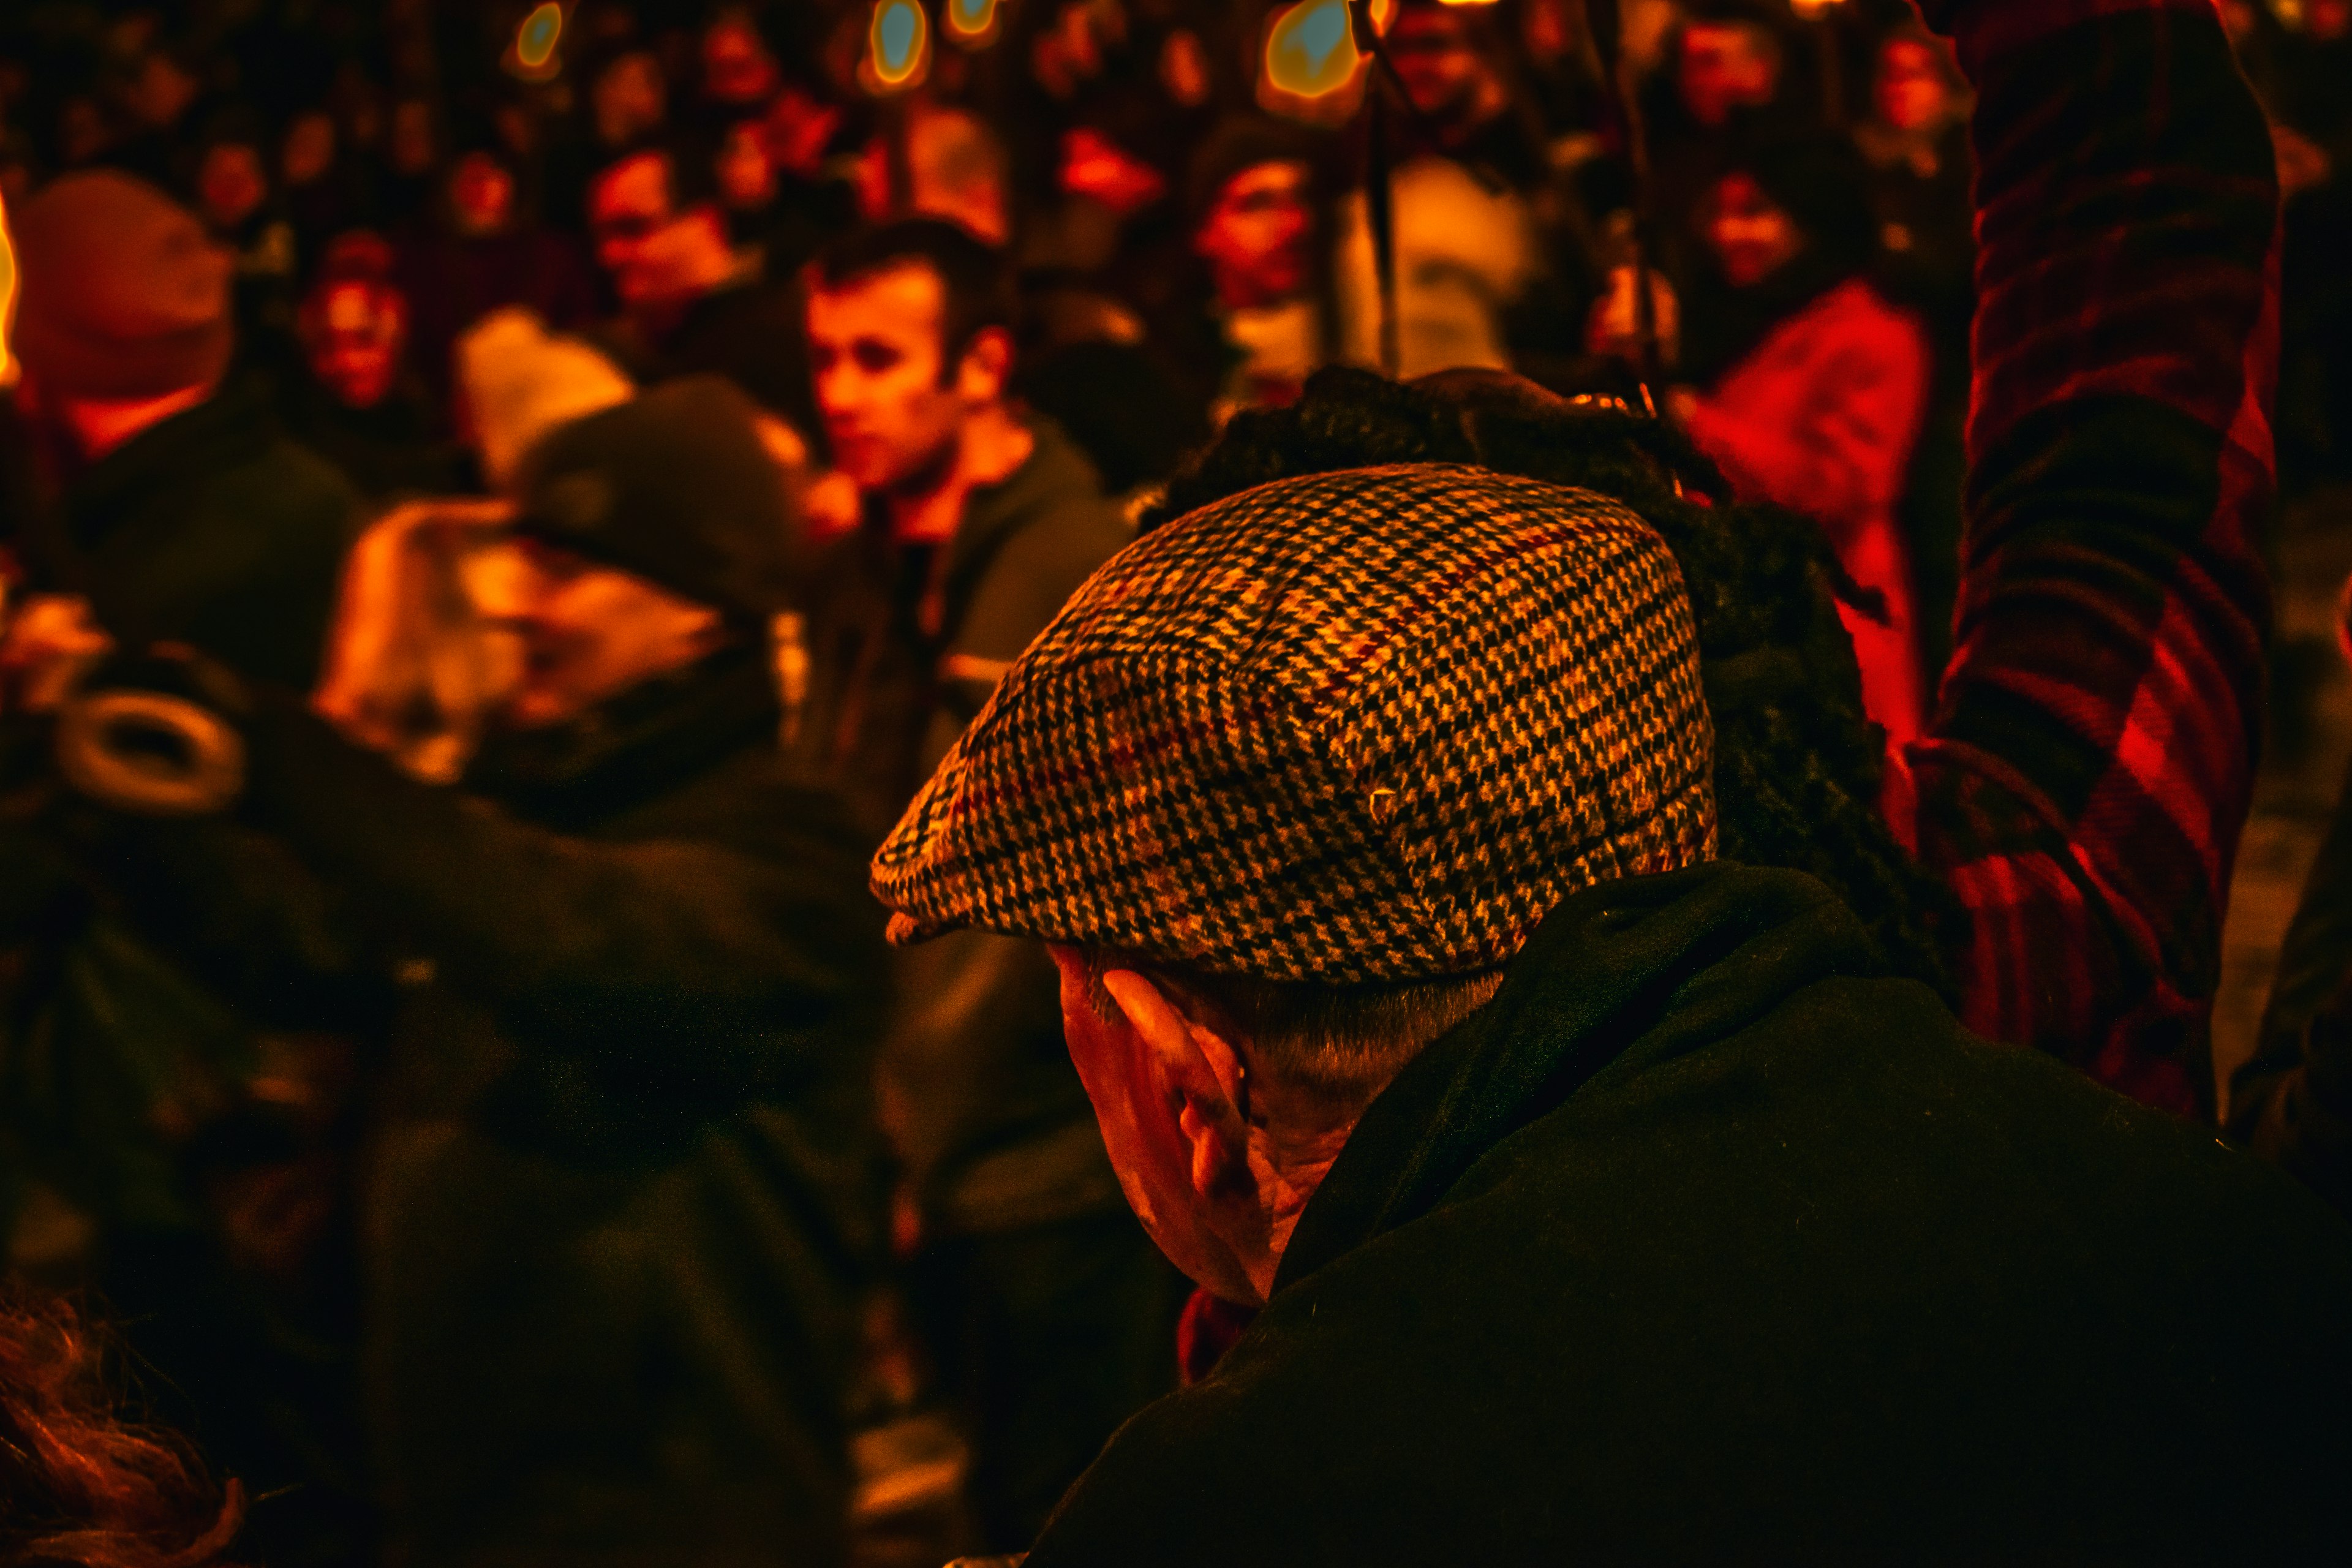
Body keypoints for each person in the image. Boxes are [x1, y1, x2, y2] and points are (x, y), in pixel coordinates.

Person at [862, 5, 2352, 1561]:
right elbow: (2117, 468)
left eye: (1072, 981)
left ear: (1191, 1073)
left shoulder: (1265, 1487)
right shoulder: (2029, 966)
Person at [45, 377, 884, 1567]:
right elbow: (310, 955)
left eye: (566, 571)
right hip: (477, 1508)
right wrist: (97, 777)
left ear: (702, 612)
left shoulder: (786, 856)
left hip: (677, 1521)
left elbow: (570, 940)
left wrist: (276, 746)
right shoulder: (536, 807)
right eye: (523, 562)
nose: (517, 610)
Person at [799, 220, 1182, 1551]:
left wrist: (907, 1138)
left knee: (1055, 1502)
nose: (841, 392)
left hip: (1040, 1160)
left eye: (877, 356)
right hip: (933, 1142)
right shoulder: (874, 562)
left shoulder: (1064, 569)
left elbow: (1007, 917)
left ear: (984, 363)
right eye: (825, 359)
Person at [1652, 136, 1932, 747]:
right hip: (1773, 634)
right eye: (1721, 214)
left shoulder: (1869, 331)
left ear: (1814, 218)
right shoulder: (1767, 319)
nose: (1729, 233)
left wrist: (1695, 421)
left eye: (1755, 213)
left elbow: (1843, 485)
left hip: (1836, 637)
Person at [584, 134, 819, 434]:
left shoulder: (773, 335)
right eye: (601, 237)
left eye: (632, 229)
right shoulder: (648, 346)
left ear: (705, 224)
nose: (609, 255)